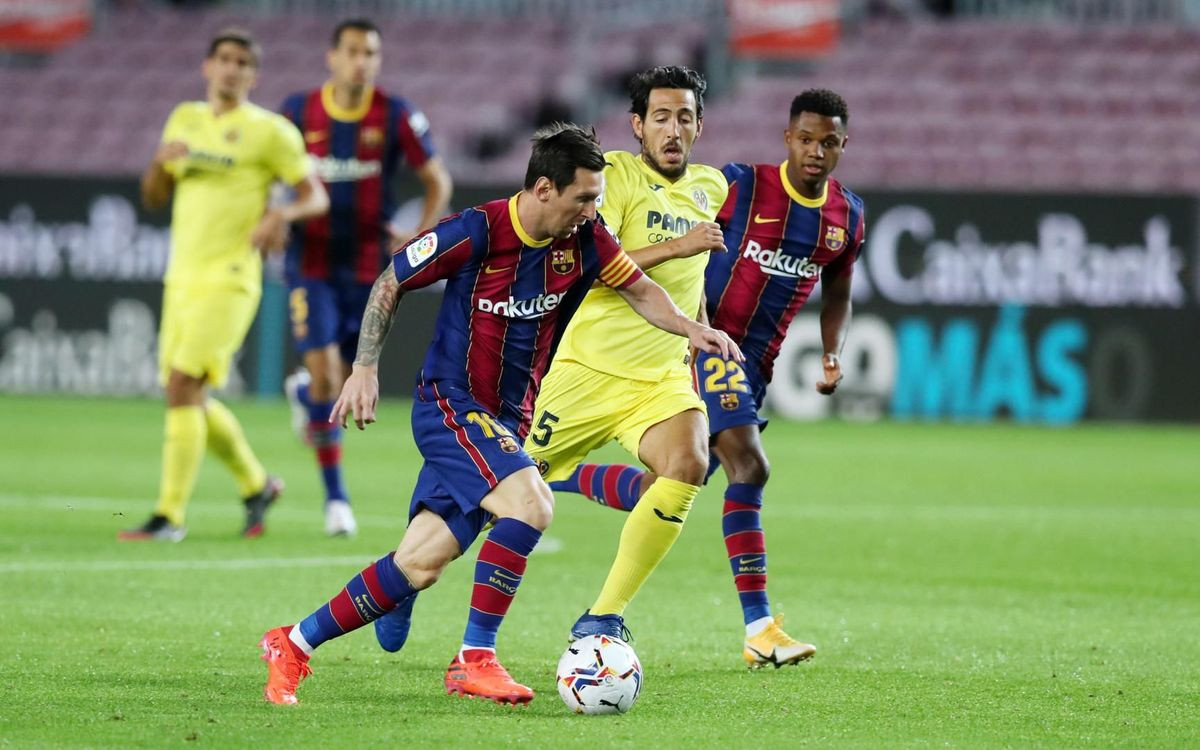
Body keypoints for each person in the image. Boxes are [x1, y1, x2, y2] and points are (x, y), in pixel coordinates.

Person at [258, 123, 742, 706]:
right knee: (532, 504)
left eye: (598, 197)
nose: (595, 210)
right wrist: (363, 366)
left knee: (421, 562)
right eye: (584, 198)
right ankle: (474, 658)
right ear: (543, 188)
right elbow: (392, 280)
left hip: (507, 422)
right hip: (451, 405)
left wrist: (694, 328)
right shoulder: (477, 231)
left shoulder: (587, 240)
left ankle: (293, 642)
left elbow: (639, 290)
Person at [551, 89, 866, 668]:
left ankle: (558, 476)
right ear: (787, 138)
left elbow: (838, 291)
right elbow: (665, 227)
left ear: (844, 145)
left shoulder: (847, 215)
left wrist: (831, 351)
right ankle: (761, 629)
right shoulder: (739, 185)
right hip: (707, 344)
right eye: (805, 139)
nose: (816, 151)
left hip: (755, 366)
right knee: (750, 465)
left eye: (828, 142)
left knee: (673, 484)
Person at [119, 28, 328, 542]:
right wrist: (158, 162)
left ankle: (169, 516)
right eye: (224, 60)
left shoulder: (270, 131)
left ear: (252, 75)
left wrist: (281, 212)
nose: (232, 69)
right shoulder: (184, 119)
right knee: (184, 393)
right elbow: (153, 195)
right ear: (206, 67)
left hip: (231, 276)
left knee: (185, 385)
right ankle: (256, 485)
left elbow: (315, 195)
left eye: (242, 63)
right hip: (182, 277)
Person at [280, 18, 453, 537]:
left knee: (336, 377)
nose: (362, 61)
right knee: (334, 377)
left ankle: (309, 394)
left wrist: (421, 236)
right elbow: (269, 174)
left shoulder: (395, 114)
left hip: (368, 270)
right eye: (353, 51)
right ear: (332, 57)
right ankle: (336, 500)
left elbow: (437, 180)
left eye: (371, 53)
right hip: (310, 266)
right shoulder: (296, 112)